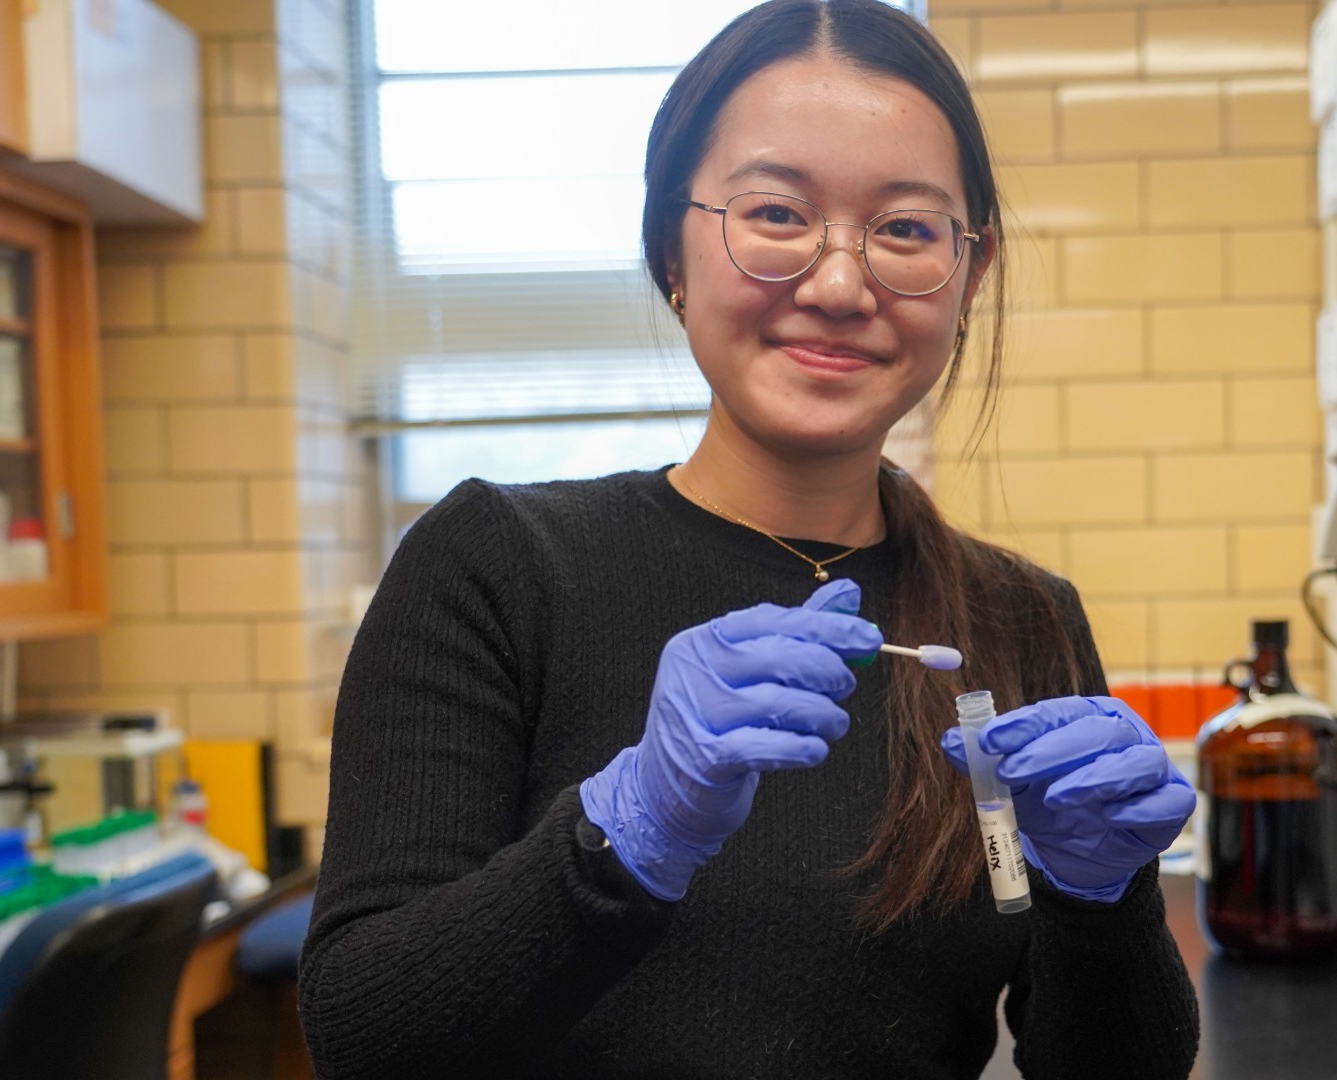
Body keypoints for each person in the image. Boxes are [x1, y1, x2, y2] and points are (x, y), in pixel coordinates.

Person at [298, 2, 1200, 1076]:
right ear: (670, 249)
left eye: (906, 229)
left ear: (971, 276)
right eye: (775, 213)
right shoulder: (494, 565)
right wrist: (625, 835)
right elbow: (362, 1038)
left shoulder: (1019, 619)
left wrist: (1104, 897)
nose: (836, 283)